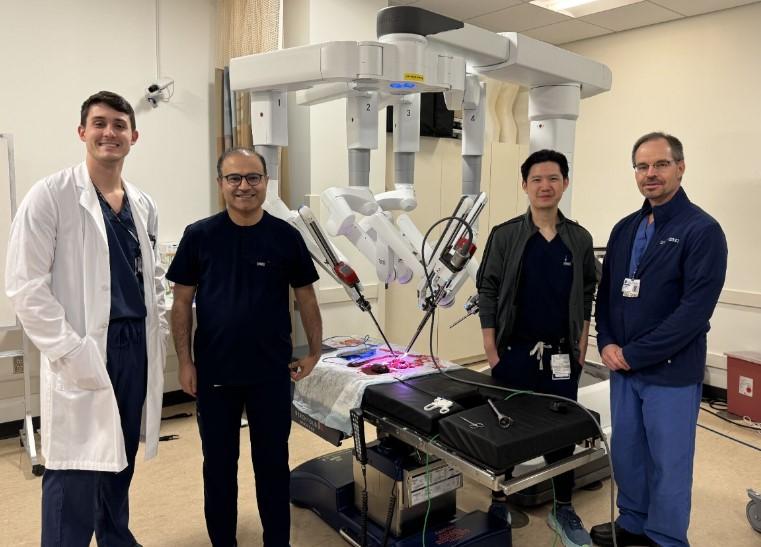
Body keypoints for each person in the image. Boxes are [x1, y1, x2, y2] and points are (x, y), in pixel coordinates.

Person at [5, 91, 168, 546]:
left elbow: (150, 276)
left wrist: (157, 333)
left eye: (119, 125)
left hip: (135, 344)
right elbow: (24, 285)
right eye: (99, 123)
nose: (109, 133)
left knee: (121, 456)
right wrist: (69, 350)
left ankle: (116, 537)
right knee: (74, 466)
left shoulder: (142, 204)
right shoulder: (51, 196)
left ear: (134, 136)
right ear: (82, 132)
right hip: (83, 345)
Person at [167, 147, 323, 547]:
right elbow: (181, 301)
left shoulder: (286, 236)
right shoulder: (199, 235)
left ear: (265, 182)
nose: (244, 186)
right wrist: (185, 362)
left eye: (253, 178)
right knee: (218, 468)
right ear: (220, 184)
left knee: (272, 466)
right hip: (215, 373)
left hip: (271, 373)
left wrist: (314, 352)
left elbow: (306, 297)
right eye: (234, 178)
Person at [590, 132, 727, 547]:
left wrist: (634, 353)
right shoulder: (625, 228)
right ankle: (633, 523)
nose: (651, 174)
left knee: (668, 462)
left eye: (661, 165)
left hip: (670, 372)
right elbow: (608, 292)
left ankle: (665, 537)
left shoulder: (702, 230)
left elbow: (693, 313)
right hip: (623, 367)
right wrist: (607, 343)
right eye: (642, 166)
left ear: (680, 168)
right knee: (627, 452)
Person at [477, 149, 598, 547]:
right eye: (536, 179)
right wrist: (492, 350)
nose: (545, 186)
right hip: (514, 352)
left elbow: (585, 293)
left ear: (565, 182)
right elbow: (489, 290)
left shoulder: (578, 238)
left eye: (553, 178)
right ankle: (500, 499)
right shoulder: (507, 234)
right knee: (506, 428)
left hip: (563, 355)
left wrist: (580, 348)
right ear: (524, 185)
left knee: (560, 431)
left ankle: (563, 508)